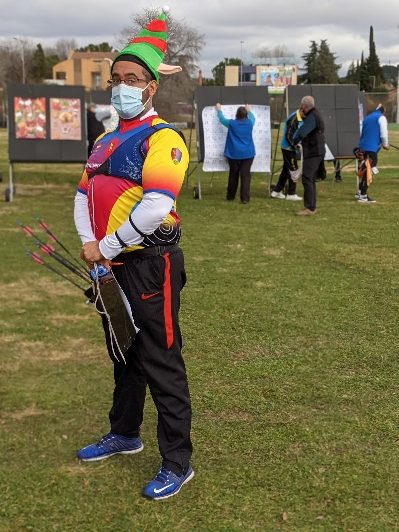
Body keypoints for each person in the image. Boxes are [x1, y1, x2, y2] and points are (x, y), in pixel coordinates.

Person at [73, 7, 194, 501]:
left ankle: (177, 461)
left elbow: (155, 207)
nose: (121, 86)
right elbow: (83, 196)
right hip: (109, 266)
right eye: (116, 78)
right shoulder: (104, 139)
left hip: (150, 264)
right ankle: (125, 433)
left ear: (150, 88)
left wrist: (106, 244)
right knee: (123, 354)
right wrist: (92, 247)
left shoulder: (163, 138)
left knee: (160, 358)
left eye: (132, 79)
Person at [292, 95, 326, 216]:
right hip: (317, 150)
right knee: (310, 178)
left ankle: (309, 208)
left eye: (302, 106)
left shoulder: (312, 117)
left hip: (314, 151)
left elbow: (302, 132)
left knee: (307, 177)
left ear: (305, 106)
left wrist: (294, 140)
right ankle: (312, 206)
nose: (301, 108)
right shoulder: (314, 114)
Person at [216, 103, 255, 204]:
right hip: (248, 154)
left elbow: (222, 119)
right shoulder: (250, 122)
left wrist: (219, 110)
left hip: (233, 154)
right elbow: (252, 117)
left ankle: (230, 196)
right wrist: (249, 109)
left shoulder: (232, 123)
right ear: (246, 115)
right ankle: (245, 198)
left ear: (236, 114)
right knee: (245, 176)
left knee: (233, 175)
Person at [356, 104, 389, 203]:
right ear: (383, 111)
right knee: (369, 171)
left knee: (364, 170)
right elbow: (383, 133)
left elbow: (366, 132)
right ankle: (363, 196)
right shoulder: (381, 117)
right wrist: (385, 144)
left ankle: (360, 192)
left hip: (362, 148)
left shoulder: (367, 118)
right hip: (371, 148)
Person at [271, 108, 303, 201]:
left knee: (286, 170)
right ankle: (291, 194)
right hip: (288, 148)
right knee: (294, 170)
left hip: (288, 147)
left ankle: (276, 191)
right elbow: (288, 135)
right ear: (301, 110)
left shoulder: (298, 116)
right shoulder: (294, 119)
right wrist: (295, 146)